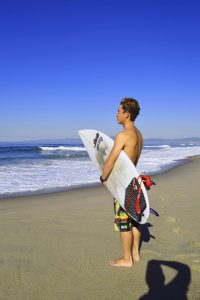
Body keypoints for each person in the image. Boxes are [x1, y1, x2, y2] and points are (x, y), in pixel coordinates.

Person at [100, 97, 143, 267]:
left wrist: (103, 178)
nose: (116, 114)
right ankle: (135, 254)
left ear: (126, 114)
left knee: (123, 221)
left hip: (123, 185)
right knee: (135, 219)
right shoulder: (138, 134)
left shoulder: (123, 135)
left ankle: (126, 259)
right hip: (135, 182)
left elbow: (110, 160)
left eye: (118, 111)